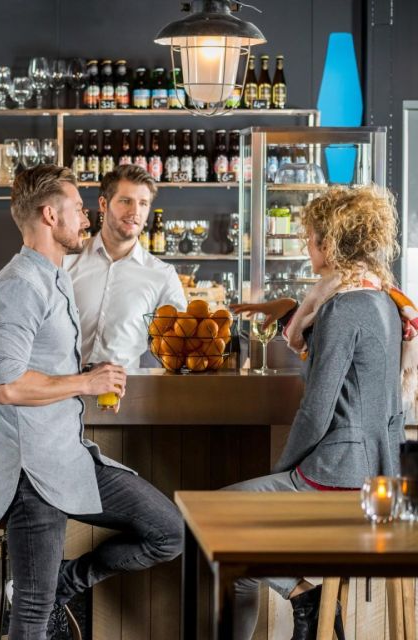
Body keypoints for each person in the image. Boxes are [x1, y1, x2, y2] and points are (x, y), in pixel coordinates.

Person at [0, 165, 183, 638]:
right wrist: (85, 383)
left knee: (167, 531)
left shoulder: (49, 278)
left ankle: (67, 584)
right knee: (30, 613)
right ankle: (49, 593)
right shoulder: (20, 285)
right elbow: (7, 386)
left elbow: (10, 350)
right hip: (32, 469)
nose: (85, 218)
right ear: (51, 215)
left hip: (66, 455)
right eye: (76, 209)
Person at [228, 185, 408, 640]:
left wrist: (284, 471)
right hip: (376, 474)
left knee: (213, 516)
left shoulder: (342, 308)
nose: (307, 247)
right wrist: (288, 310)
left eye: (309, 238)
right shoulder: (380, 298)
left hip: (336, 473)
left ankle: (304, 596)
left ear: (329, 245)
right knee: (243, 568)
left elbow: (318, 408)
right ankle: (305, 603)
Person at [64, 165, 186, 371]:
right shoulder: (67, 259)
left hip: (124, 394)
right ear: (103, 204)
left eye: (143, 203)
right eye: (125, 201)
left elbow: (182, 340)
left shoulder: (162, 275)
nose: (135, 212)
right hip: (61, 390)